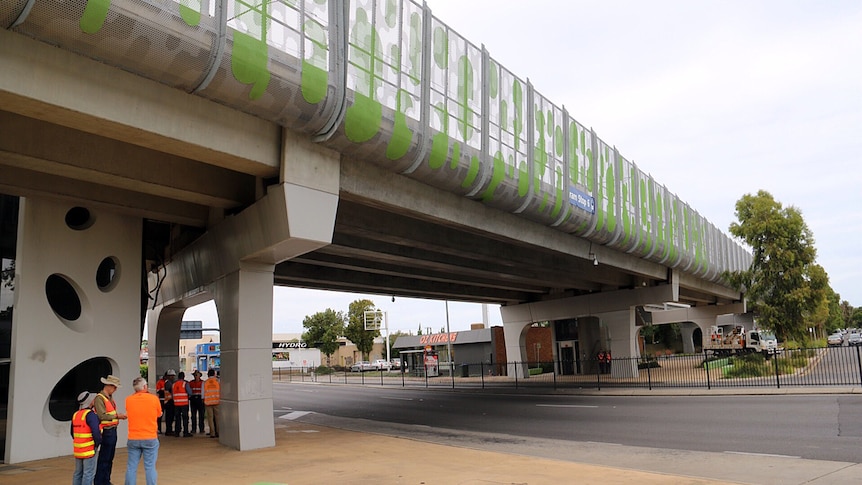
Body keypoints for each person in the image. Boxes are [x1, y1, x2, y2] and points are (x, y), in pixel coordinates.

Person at [124, 376, 162, 485]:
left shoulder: (128, 400)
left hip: (133, 437)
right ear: (145, 386)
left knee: (131, 467)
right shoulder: (153, 398)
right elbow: (159, 414)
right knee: (150, 467)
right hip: (150, 437)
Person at [94, 374, 127, 485]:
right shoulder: (100, 398)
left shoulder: (109, 398)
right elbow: (102, 416)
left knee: (109, 458)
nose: (115, 389)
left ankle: (106, 480)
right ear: (108, 385)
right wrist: (117, 416)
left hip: (112, 430)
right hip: (106, 431)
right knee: (104, 458)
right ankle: (100, 481)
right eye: (114, 387)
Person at [71, 391, 101, 485]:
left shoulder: (76, 415)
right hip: (89, 450)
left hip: (78, 449)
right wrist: (97, 443)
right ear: (90, 401)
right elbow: (96, 432)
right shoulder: (91, 415)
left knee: (78, 473)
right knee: (88, 474)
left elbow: (72, 433)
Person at [171, 371, 193, 437]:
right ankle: (185, 432)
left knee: (177, 418)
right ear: (184, 377)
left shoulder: (174, 384)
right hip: (184, 403)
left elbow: (172, 395)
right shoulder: (185, 383)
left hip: (176, 404)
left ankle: (177, 432)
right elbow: (190, 393)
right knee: (185, 418)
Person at [203, 368, 220, 438]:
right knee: (217, 418)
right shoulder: (218, 381)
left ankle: (212, 433)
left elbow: (202, 394)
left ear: (208, 374)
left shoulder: (205, 382)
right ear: (214, 374)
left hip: (208, 402)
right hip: (217, 401)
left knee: (210, 418)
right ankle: (218, 432)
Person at [188, 370, 205, 434]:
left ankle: (201, 429)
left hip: (200, 399)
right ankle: (193, 429)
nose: (195, 376)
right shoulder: (191, 383)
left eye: (196, 375)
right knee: (193, 416)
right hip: (193, 399)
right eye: (194, 375)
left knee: (201, 415)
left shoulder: (203, 383)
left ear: (199, 375)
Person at [163, 369, 176, 436]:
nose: (173, 377)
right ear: (168, 376)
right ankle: (168, 430)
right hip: (169, 402)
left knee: (170, 417)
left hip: (169, 402)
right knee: (169, 417)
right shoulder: (168, 383)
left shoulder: (168, 383)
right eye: (171, 376)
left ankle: (169, 430)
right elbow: (171, 392)